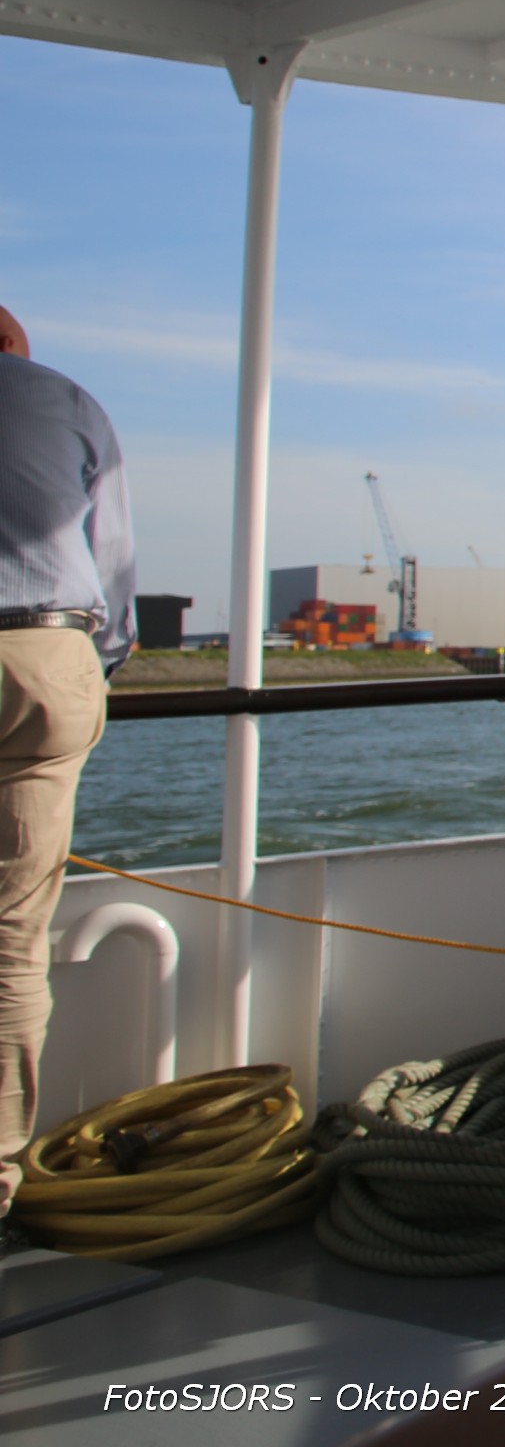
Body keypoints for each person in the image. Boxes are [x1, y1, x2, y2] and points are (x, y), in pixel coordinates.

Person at [0, 303, 134, 1241]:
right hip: (45, 658)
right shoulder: (68, 400)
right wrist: (100, 666)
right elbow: (115, 564)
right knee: (10, 941)